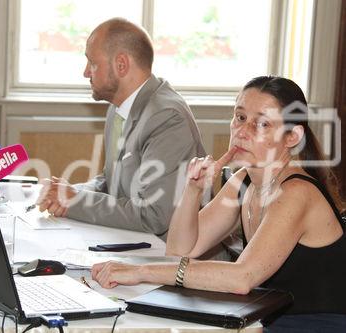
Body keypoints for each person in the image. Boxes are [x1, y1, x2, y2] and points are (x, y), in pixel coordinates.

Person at [92, 76, 346, 332]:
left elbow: (241, 278)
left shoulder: (296, 192)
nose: (242, 132)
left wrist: (142, 272)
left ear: (292, 136)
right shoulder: (242, 181)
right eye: (240, 117)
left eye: (262, 124)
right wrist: (192, 190)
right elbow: (180, 249)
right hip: (262, 319)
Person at [36, 18, 206, 241]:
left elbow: (154, 215)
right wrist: (66, 192)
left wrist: (76, 199)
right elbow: (111, 181)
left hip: (171, 256)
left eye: (92, 63)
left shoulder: (166, 117)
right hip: (134, 245)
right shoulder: (120, 106)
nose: (86, 72)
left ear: (121, 65)